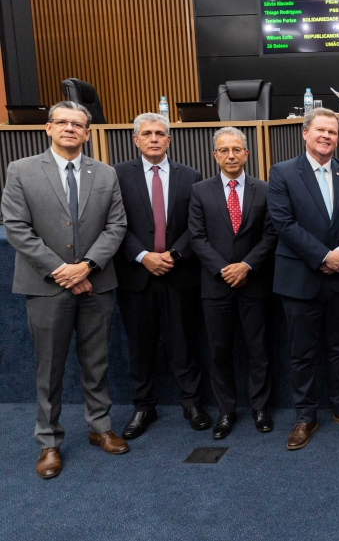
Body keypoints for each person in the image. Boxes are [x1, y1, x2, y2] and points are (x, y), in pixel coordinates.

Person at [2, 101, 129, 479]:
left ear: (88, 133)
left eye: (78, 124)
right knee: (49, 367)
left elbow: (116, 227)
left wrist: (86, 266)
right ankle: (48, 442)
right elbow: (16, 228)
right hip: (46, 286)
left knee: (97, 362)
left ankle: (100, 427)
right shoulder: (22, 170)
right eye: (63, 122)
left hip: (97, 283)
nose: (70, 128)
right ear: (48, 128)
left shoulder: (105, 173)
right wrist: (63, 270)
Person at [267, 108, 339, 451]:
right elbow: (283, 224)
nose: (327, 136)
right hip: (300, 277)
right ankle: (305, 416)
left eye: (333, 132)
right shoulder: (282, 172)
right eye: (320, 130)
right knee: (302, 352)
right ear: (305, 133)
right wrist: (322, 256)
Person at [114, 113, 211, 439]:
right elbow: (115, 224)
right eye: (147, 133)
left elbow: (195, 225)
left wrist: (174, 254)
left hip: (179, 273)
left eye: (160, 133)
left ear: (169, 140)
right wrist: (143, 256)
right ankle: (144, 406)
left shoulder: (190, 176)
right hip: (137, 276)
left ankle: (192, 403)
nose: (154, 138)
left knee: (185, 342)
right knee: (141, 345)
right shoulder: (118, 176)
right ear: (136, 140)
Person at [188, 127, 278, 440]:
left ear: (246, 154)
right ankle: (226, 411)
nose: (231, 155)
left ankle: (260, 408)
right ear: (215, 155)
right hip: (216, 285)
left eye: (237, 149)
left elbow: (271, 235)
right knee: (219, 351)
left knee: (258, 350)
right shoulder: (200, 191)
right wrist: (225, 269)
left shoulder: (264, 190)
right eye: (224, 150)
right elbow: (197, 238)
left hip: (254, 283)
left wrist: (247, 265)